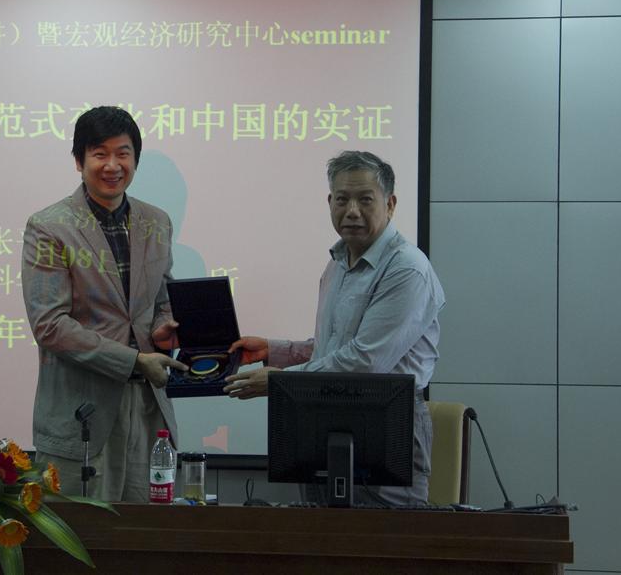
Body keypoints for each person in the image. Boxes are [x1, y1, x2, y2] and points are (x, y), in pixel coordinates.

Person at [223, 150, 444, 507]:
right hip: (321, 416)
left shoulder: (407, 270)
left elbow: (365, 362)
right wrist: (274, 350)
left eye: (365, 200)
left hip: (385, 425)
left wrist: (282, 382)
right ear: (330, 203)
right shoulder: (338, 263)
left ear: (390, 204)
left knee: (379, 537)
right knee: (320, 531)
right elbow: (334, 348)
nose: (352, 211)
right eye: (342, 199)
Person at [22, 105, 187, 503]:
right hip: (81, 415)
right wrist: (133, 360)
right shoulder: (49, 226)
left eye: (123, 153)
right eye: (100, 154)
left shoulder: (157, 222)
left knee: (148, 535)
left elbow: (163, 299)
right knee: (79, 536)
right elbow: (49, 325)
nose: (112, 165)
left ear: (135, 160)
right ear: (79, 161)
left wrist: (164, 327)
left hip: (148, 411)